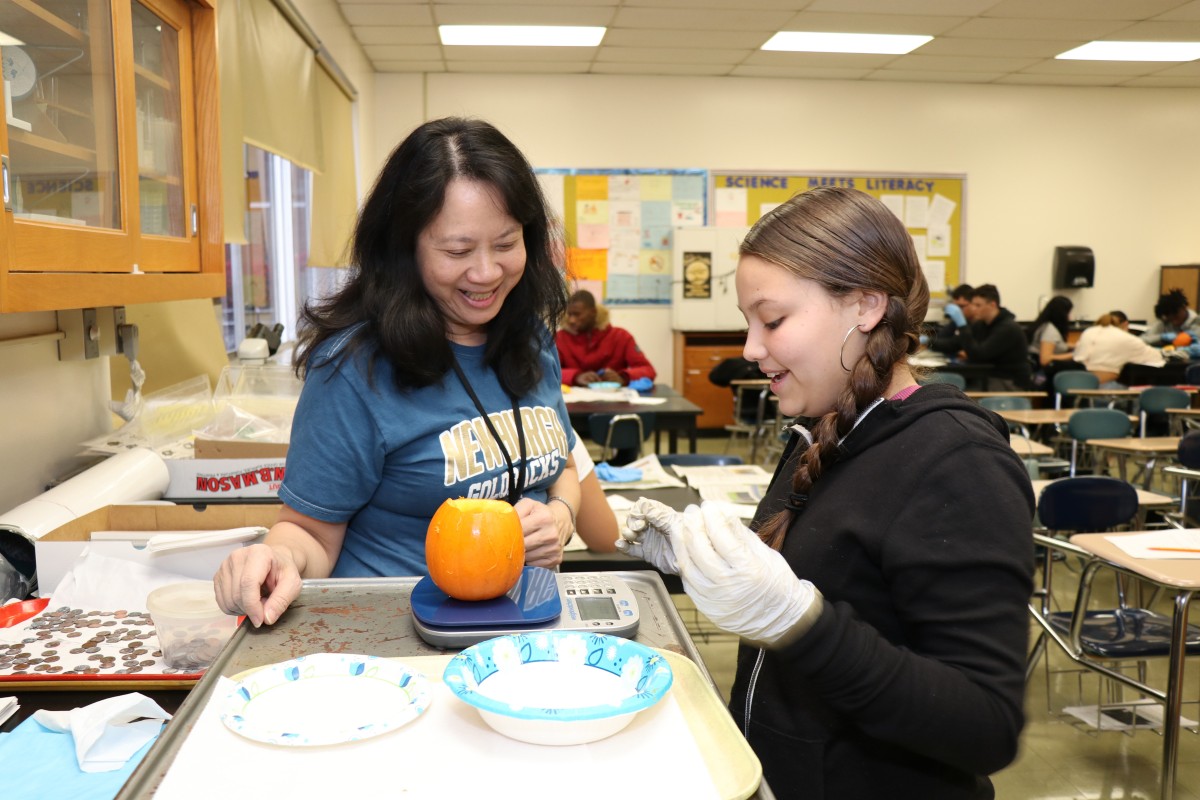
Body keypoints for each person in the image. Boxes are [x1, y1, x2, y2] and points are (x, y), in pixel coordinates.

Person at [617, 186, 1033, 798]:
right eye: (748, 323)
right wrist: (700, 554)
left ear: (865, 306)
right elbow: (833, 561)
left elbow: (984, 726)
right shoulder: (826, 429)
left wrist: (800, 623)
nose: (751, 349)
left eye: (774, 320)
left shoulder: (958, 462)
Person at [213, 117, 582, 627]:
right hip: (395, 639)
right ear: (404, 248)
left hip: (524, 628)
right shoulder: (353, 370)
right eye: (457, 251)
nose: (486, 273)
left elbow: (561, 468)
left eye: (505, 244)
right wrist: (272, 560)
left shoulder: (531, 337)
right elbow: (310, 535)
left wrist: (559, 520)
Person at [556, 289, 657, 387]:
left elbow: (648, 370)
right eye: (569, 314)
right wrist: (575, 376)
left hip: (615, 401)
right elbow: (547, 373)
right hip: (572, 402)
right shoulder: (560, 338)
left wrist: (623, 377)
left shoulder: (621, 336)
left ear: (593, 312)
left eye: (577, 314)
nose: (571, 320)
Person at [944, 283, 1033, 390]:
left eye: (978, 305)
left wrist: (963, 326)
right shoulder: (982, 324)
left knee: (963, 395)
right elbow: (956, 343)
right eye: (973, 304)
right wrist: (928, 341)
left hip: (1009, 381)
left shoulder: (1007, 328)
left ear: (992, 305)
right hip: (989, 376)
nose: (973, 309)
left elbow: (979, 354)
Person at [1073, 310, 1165, 387]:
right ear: (1126, 324)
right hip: (1104, 387)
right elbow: (1156, 357)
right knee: (1139, 400)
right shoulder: (1125, 338)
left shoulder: (1089, 332)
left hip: (1076, 385)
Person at [926, 283, 974, 355]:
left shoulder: (978, 323)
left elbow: (954, 344)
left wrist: (928, 341)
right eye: (956, 307)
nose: (958, 311)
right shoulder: (957, 321)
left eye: (961, 306)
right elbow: (939, 337)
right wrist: (929, 340)